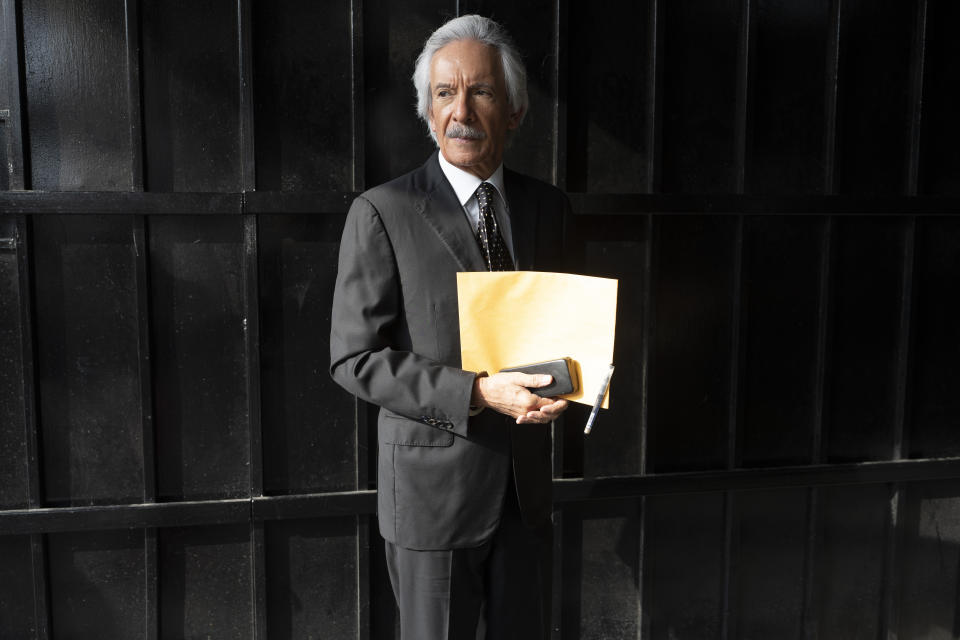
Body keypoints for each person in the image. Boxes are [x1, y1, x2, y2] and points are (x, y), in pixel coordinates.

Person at [330, 14, 571, 640]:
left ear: (514, 110)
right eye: (444, 93)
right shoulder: (381, 212)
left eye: (482, 92)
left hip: (524, 491)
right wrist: (477, 393)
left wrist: (574, 380)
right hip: (431, 501)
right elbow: (353, 358)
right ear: (427, 111)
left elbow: (564, 326)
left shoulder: (548, 207)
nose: (461, 110)